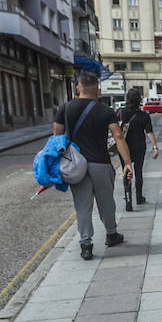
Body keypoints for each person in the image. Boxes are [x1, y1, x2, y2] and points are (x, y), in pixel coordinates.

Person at [54, 70, 132, 260]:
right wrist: (127, 163)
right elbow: (118, 136)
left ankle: (86, 245)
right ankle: (111, 234)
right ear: (98, 89)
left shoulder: (65, 108)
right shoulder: (105, 110)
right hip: (101, 163)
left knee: (82, 205)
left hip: (76, 166)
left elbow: (57, 139)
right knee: (106, 201)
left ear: (78, 88)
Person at [119, 86, 159, 210]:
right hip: (139, 147)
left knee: (126, 171)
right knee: (138, 172)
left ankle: (128, 199)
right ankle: (139, 197)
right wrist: (155, 147)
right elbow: (149, 132)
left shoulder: (120, 113)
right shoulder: (143, 115)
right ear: (139, 100)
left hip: (124, 147)